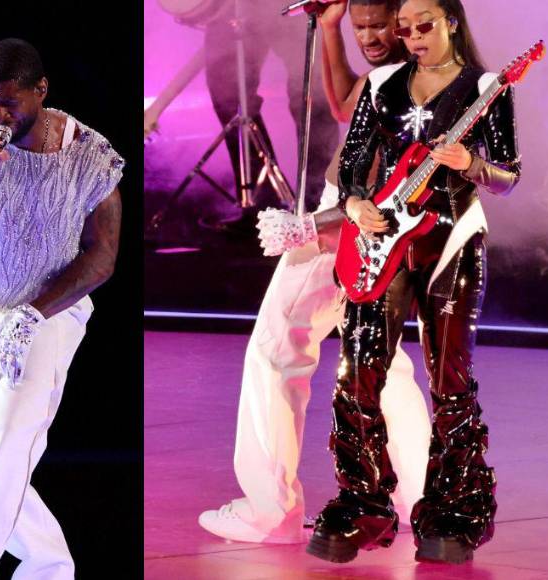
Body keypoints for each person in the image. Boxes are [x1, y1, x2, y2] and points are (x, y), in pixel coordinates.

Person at [197, 0, 431, 545]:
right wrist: (330, 29)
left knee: (276, 349)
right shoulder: (411, 68)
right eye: (360, 27)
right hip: (365, 220)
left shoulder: (404, 81)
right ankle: (422, 497)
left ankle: (268, 510)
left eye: (378, 26)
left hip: (348, 220)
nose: (369, 37)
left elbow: (377, 185)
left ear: (404, 21)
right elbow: (346, 106)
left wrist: (311, 227)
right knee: (382, 360)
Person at [307, 0, 520, 564]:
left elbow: (508, 176)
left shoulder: (488, 86)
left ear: (451, 19)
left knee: (449, 377)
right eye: (405, 28)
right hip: (384, 237)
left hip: (452, 237)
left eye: (424, 25)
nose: (412, 37)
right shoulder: (382, 84)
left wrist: (470, 166)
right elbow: (354, 164)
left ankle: (456, 508)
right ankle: (364, 503)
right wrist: (355, 206)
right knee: (356, 368)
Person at [0, 39, 123, 579]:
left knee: (6, 444)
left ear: (41, 90)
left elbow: (102, 258)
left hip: (45, 319)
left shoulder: (88, 154)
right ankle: (52, 568)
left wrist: (33, 314)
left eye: (9, 103)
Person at [201, 0, 338, 223]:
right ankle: (260, 203)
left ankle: (320, 202)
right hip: (230, 7)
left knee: (310, 87)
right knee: (226, 90)